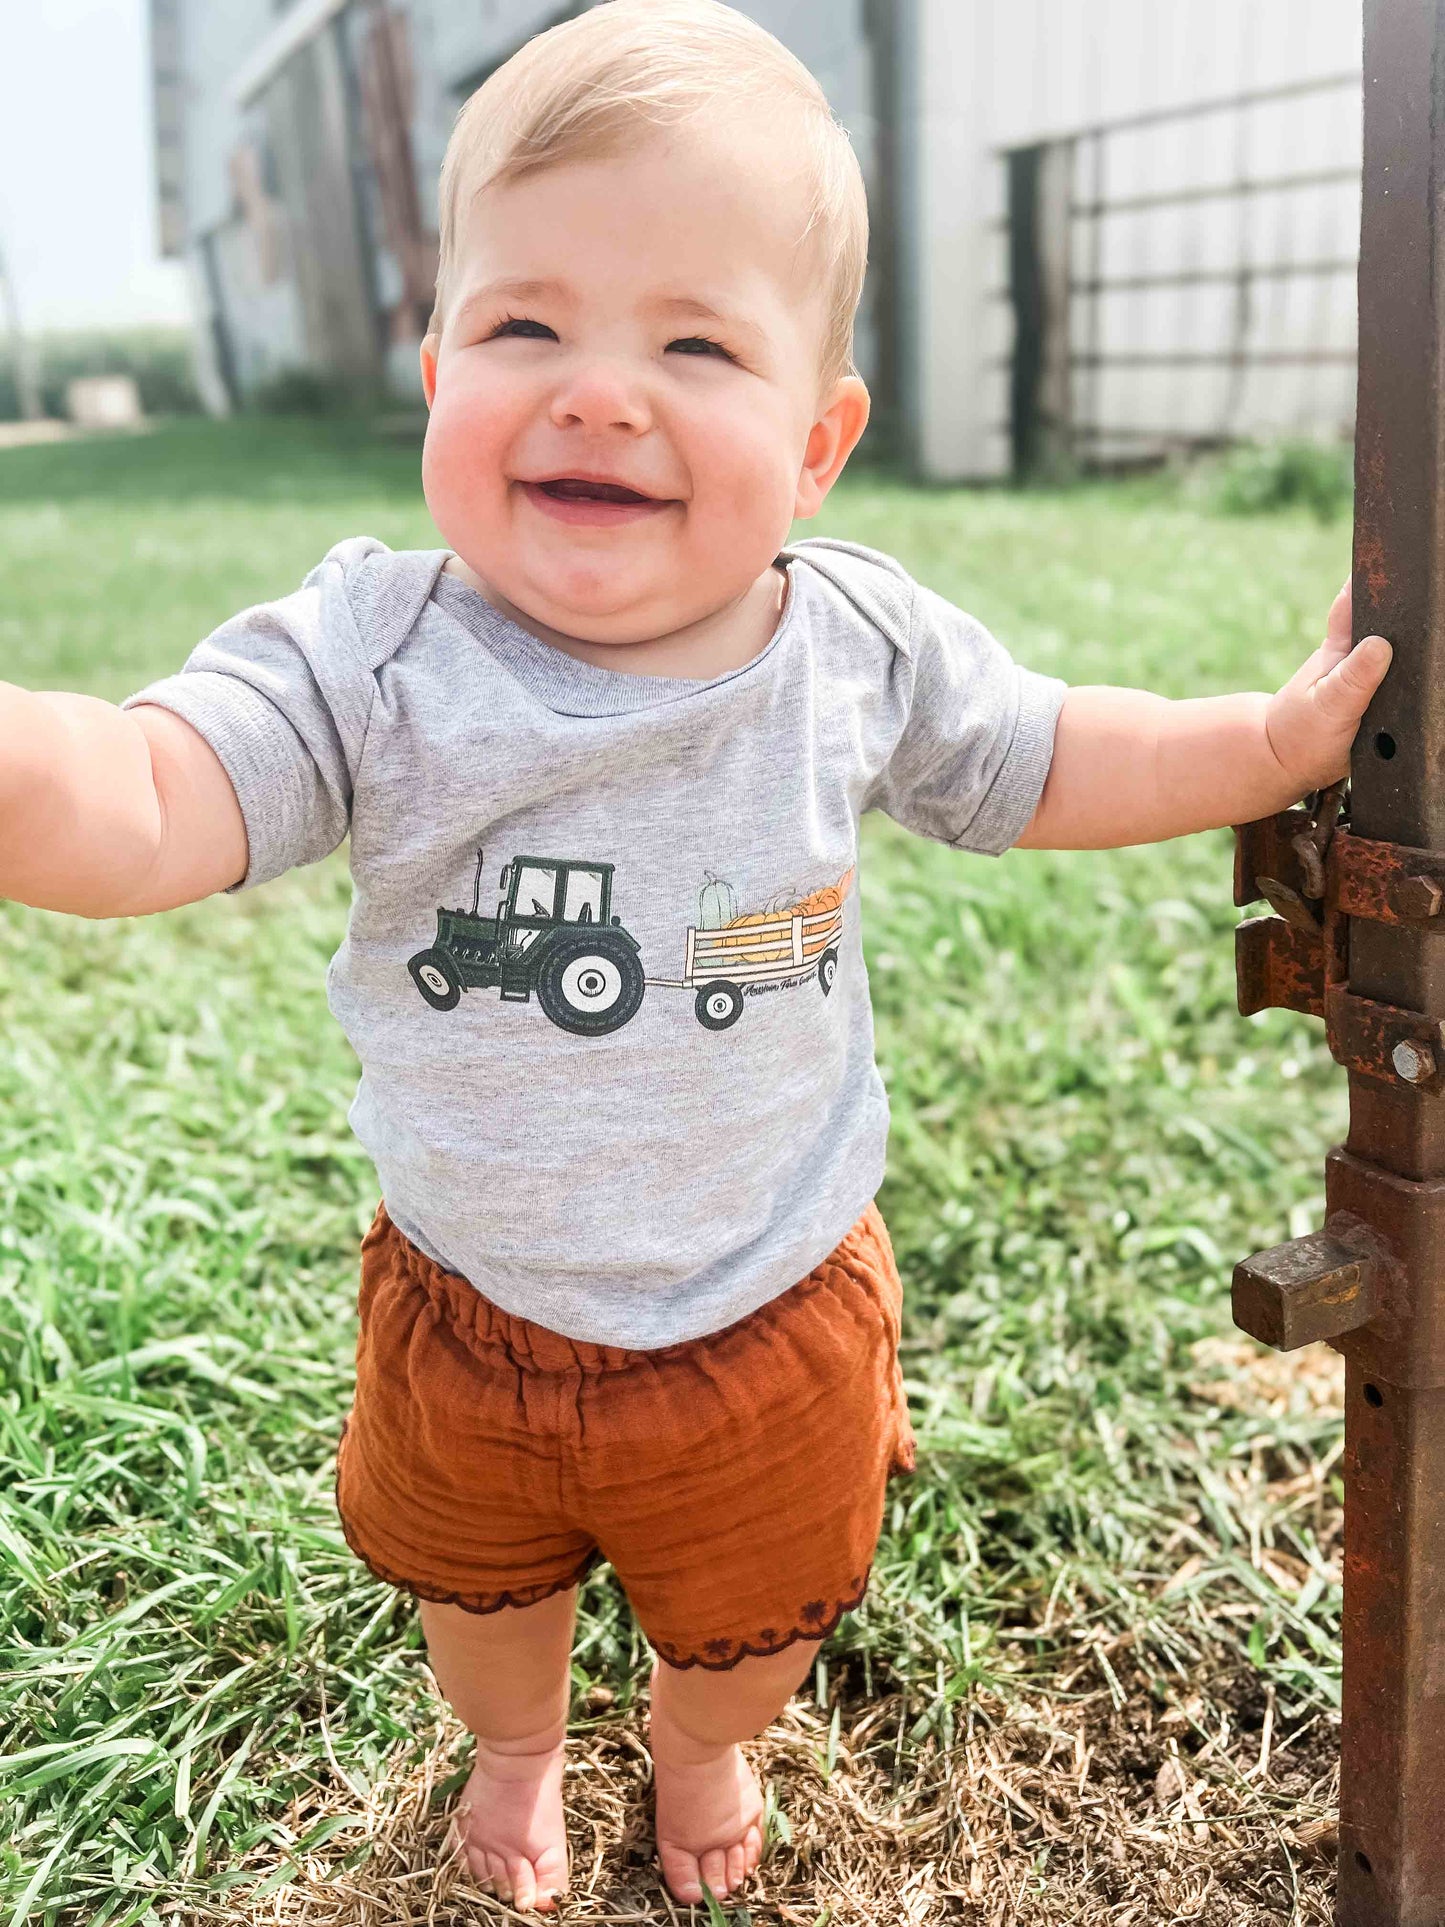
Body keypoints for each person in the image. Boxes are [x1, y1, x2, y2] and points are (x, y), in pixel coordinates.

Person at [0, 0, 1389, 1912]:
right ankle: (515, 1752)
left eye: (692, 343)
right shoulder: (370, 661)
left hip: (766, 1307)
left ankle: (704, 1742)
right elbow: (153, 795)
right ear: (432, 370)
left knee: (751, 1617)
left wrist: (1258, 742)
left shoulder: (854, 649)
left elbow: (1045, 752)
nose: (596, 390)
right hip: (471, 1304)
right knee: (478, 1599)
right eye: (523, 326)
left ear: (816, 446)